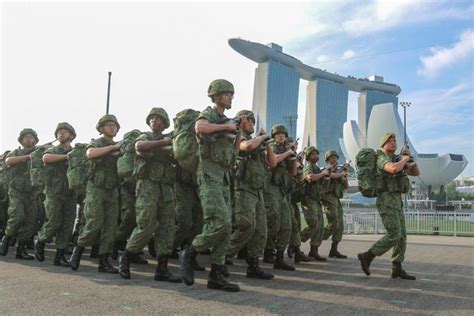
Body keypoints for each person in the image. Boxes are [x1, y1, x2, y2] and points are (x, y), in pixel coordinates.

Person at [181, 79, 241, 292]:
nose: (231, 97)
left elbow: (235, 151)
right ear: (216, 95)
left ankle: (216, 275)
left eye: (232, 94)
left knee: (226, 227)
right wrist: (227, 126)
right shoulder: (209, 114)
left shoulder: (225, 120)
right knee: (220, 222)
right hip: (209, 173)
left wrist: (236, 130)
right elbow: (200, 127)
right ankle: (190, 252)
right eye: (227, 94)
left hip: (224, 175)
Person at [118, 108, 181, 283]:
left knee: (167, 228)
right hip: (147, 186)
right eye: (152, 118)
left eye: (159, 118)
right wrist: (164, 143)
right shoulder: (145, 136)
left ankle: (162, 269)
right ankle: (125, 259)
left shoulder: (171, 139)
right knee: (145, 224)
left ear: (165, 122)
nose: (154, 120)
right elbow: (140, 147)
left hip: (166, 188)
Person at [358, 133, 419, 280]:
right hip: (386, 200)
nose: (393, 143)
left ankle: (397, 267)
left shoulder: (398, 159)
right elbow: (392, 169)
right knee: (394, 234)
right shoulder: (381, 158)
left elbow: (416, 173)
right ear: (383, 144)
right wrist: (404, 160)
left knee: (402, 237)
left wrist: (409, 158)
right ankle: (367, 256)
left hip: (396, 201)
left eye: (394, 141)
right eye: (389, 141)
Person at [225, 109, 276, 279]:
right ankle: (223, 257)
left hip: (257, 191)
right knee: (246, 226)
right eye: (249, 121)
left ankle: (254, 266)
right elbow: (247, 147)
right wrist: (262, 137)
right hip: (243, 189)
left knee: (261, 230)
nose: (252, 124)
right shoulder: (237, 138)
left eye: (254, 121)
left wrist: (267, 142)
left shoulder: (259, 142)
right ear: (241, 122)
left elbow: (273, 162)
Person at [69, 114, 121, 273]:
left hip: (112, 189)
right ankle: (77, 251)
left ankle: (103, 261)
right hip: (96, 188)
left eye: (114, 126)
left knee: (110, 227)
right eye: (108, 125)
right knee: (94, 223)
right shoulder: (97, 143)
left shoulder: (119, 146)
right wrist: (113, 148)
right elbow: (90, 154)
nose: (112, 128)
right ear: (102, 128)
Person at [34, 123, 77, 266]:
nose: (62, 134)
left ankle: (60, 255)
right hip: (54, 192)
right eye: (59, 132)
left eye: (65, 132)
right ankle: (40, 241)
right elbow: (46, 158)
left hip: (70, 193)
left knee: (67, 225)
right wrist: (66, 157)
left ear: (71, 135)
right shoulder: (53, 150)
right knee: (54, 221)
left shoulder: (76, 152)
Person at [0, 129, 40, 259]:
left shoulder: (38, 153)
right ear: (21, 140)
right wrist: (28, 157)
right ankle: (6, 240)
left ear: (35, 140)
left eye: (31, 137)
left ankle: (21, 249)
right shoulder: (16, 152)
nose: (28, 139)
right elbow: (9, 161)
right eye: (26, 137)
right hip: (17, 192)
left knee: (29, 222)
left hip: (32, 193)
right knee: (17, 216)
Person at [262, 125, 297, 271]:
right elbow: (274, 161)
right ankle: (268, 250)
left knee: (287, 225)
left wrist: (293, 156)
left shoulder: (287, 150)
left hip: (282, 190)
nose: (280, 136)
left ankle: (279, 257)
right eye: (277, 134)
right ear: (273, 136)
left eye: (282, 134)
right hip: (270, 188)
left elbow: (293, 172)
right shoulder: (271, 147)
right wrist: (288, 152)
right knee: (273, 220)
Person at [300, 146, 327, 261]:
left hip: (316, 200)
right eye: (312, 154)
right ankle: (295, 243)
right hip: (309, 200)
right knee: (313, 224)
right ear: (307, 157)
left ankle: (314, 250)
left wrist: (326, 175)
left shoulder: (316, 168)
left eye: (316, 154)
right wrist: (323, 174)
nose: (315, 156)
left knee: (320, 227)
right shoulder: (308, 167)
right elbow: (310, 177)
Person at [321, 150, 348, 258]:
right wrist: (341, 173)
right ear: (327, 160)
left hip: (336, 198)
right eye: (332, 158)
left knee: (340, 224)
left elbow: (346, 187)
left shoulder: (339, 170)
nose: (334, 160)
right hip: (328, 197)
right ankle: (318, 237)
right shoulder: (325, 169)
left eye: (336, 158)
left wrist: (344, 174)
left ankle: (334, 249)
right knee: (334, 222)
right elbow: (330, 175)